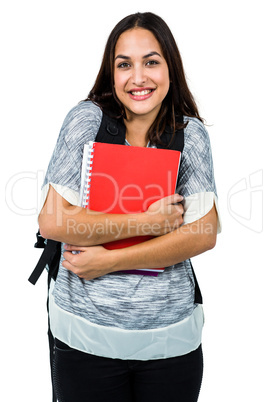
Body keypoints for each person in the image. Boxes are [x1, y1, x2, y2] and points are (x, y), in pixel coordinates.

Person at [38, 11, 221, 402]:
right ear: (111, 72)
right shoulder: (86, 121)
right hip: (84, 338)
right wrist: (148, 221)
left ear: (170, 67)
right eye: (125, 65)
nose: (138, 77)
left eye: (151, 62)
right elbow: (53, 221)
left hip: (170, 342)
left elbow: (204, 232)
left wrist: (109, 261)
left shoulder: (190, 135)